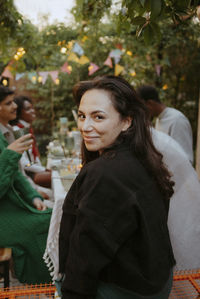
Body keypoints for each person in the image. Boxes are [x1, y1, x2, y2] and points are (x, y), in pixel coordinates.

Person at [59, 76, 175, 299]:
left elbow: (86, 253)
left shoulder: (105, 173)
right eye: (82, 116)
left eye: (98, 117)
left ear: (126, 121)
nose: (85, 126)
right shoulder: (143, 156)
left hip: (130, 290)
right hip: (158, 280)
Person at [0, 86, 52, 284]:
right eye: (8, 103)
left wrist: (34, 196)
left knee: (52, 215)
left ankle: (51, 284)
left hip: (10, 206)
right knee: (47, 221)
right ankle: (46, 285)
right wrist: (9, 155)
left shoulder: (7, 132)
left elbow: (17, 175)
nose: (15, 106)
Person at [136, 85, 194, 163]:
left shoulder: (177, 119)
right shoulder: (158, 119)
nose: (142, 112)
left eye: (142, 107)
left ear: (150, 103)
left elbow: (185, 158)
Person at [10, 95, 52, 199]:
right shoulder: (17, 131)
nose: (33, 111)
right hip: (29, 175)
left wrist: (44, 169)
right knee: (58, 178)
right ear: (19, 112)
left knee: (58, 177)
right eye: (28, 109)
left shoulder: (27, 128)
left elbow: (33, 158)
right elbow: (25, 164)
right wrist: (44, 170)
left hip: (32, 172)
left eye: (32, 108)